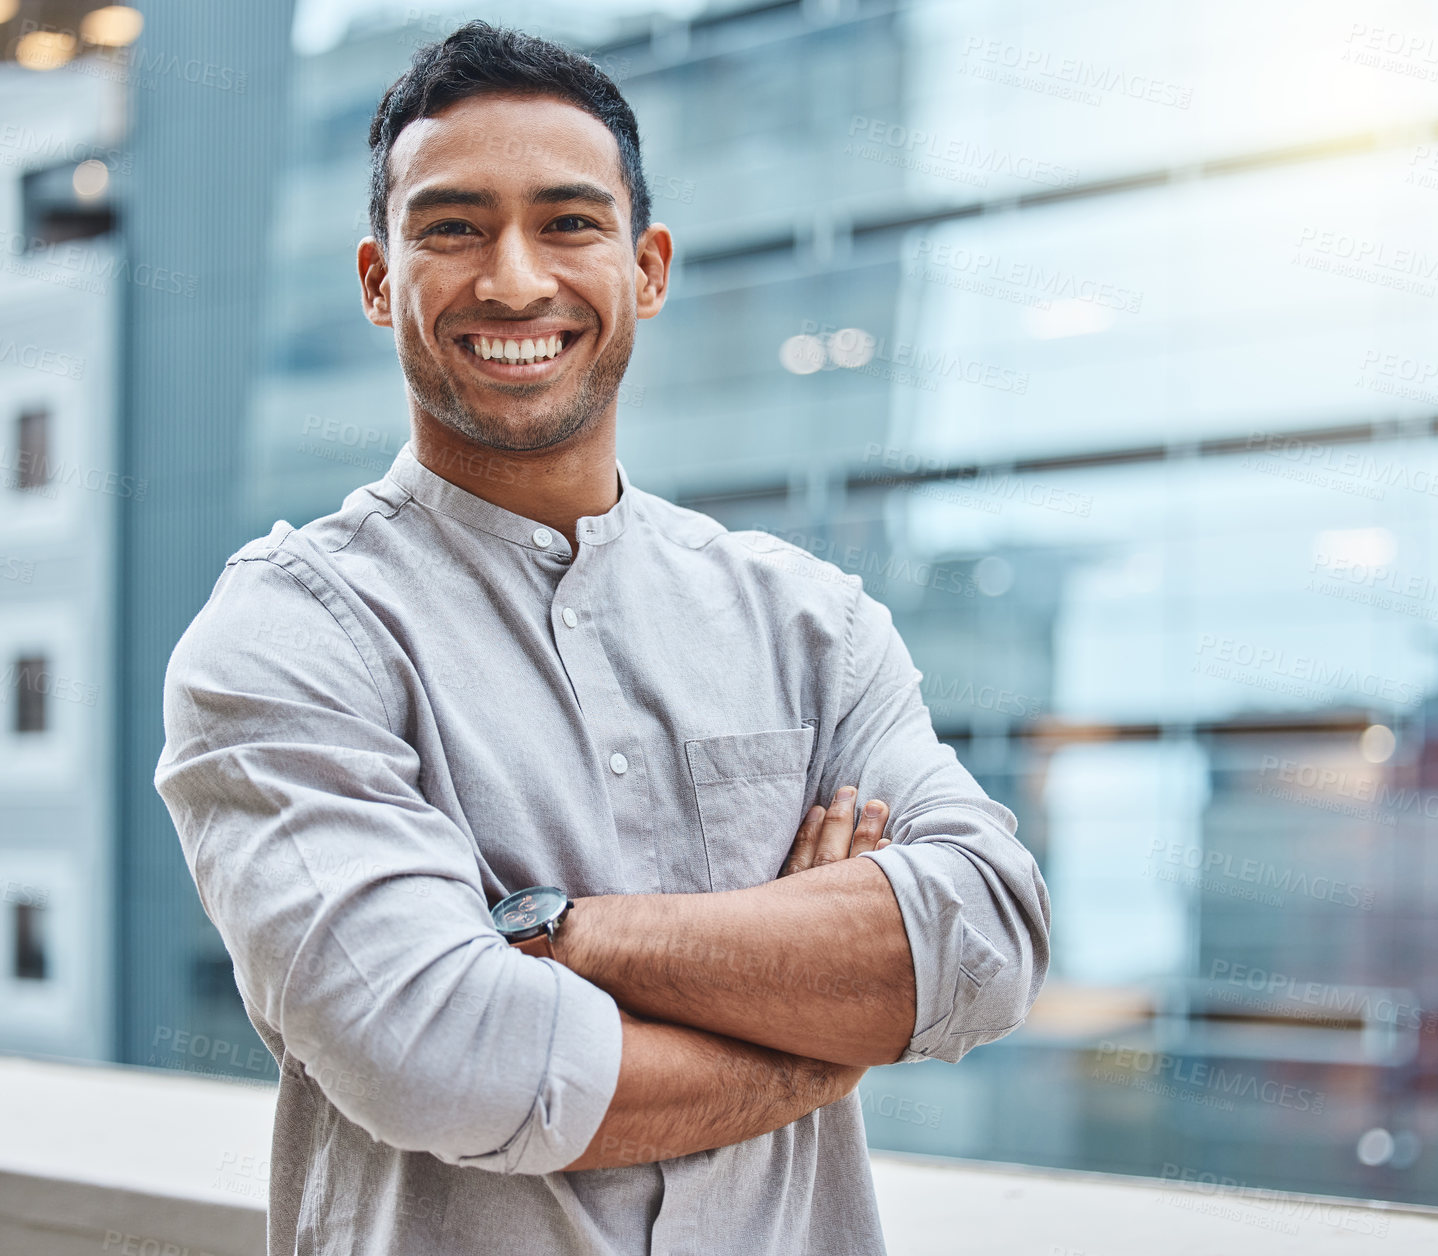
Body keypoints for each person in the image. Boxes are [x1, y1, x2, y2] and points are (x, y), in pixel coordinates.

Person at [155, 20, 1050, 1256]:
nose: (514, 280)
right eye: (453, 226)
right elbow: (441, 1056)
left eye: (569, 222)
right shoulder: (291, 634)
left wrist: (552, 928)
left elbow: (988, 936)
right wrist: (818, 1040)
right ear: (377, 279)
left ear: (648, 268)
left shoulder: (812, 621)